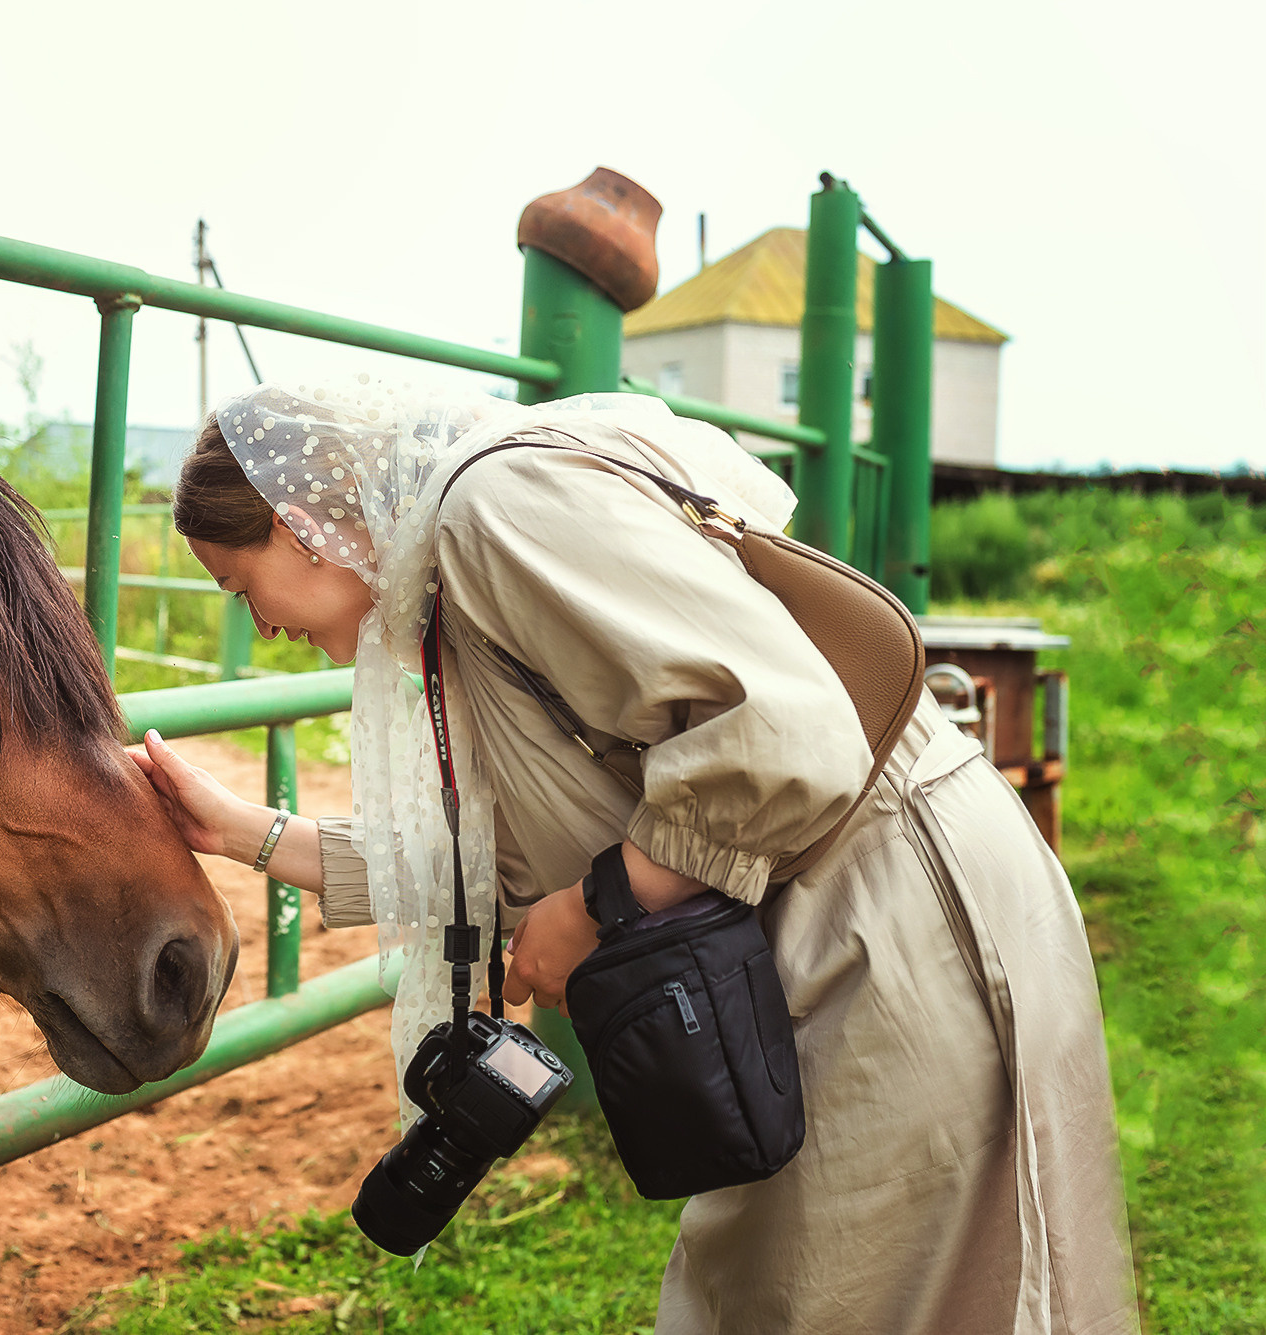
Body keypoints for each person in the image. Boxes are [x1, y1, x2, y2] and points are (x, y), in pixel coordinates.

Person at [131, 378, 1138, 1334]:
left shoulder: (492, 508)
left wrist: (599, 905)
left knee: (887, 1293)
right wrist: (238, 830)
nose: (260, 627)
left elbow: (780, 731)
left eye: (240, 587)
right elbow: (498, 858)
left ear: (299, 524)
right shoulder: (456, 572)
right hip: (810, 912)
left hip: (888, 909)